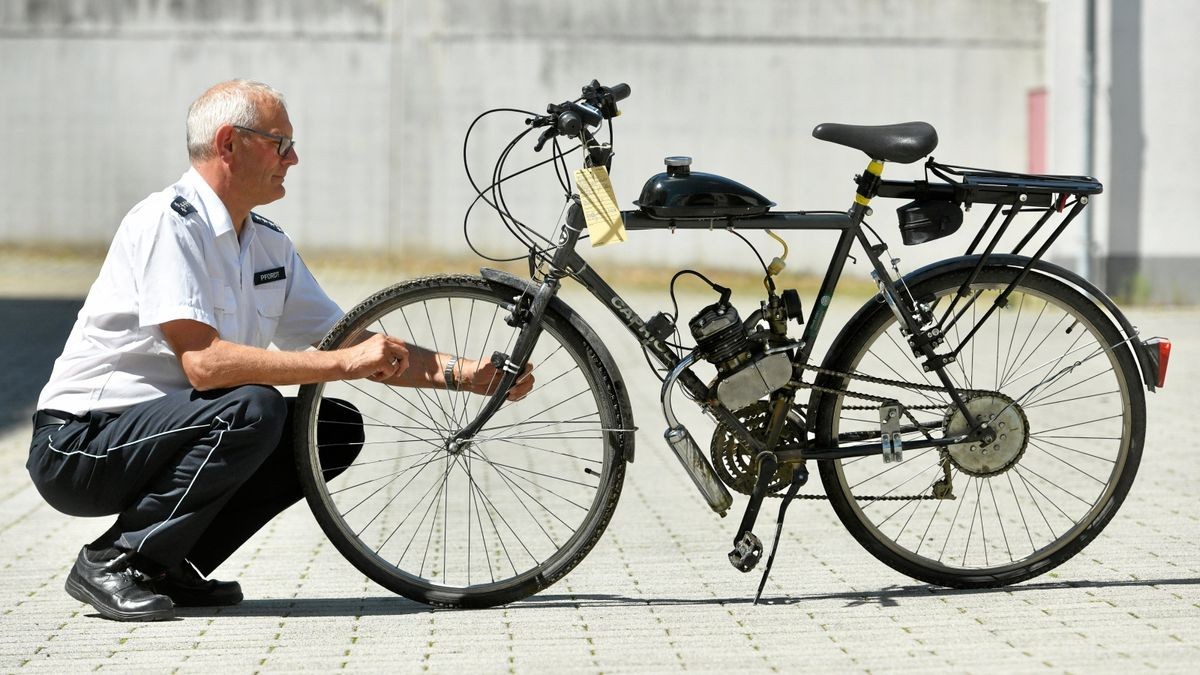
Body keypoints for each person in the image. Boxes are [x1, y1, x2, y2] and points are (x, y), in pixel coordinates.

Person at [26, 80, 532, 622]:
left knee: (329, 429)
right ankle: (114, 560)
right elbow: (205, 365)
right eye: (279, 143)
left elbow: (356, 344)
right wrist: (339, 364)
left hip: (168, 434)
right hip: (79, 446)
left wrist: (467, 374)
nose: (294, 158)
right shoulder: (165, 224)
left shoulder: (268, 243)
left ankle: (165, 563)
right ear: (228, 144)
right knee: (252, 406)